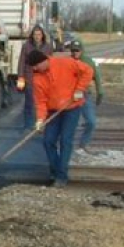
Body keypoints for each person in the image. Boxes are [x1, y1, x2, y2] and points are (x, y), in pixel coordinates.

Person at [27, 49, 93, 187]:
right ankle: (56, 171)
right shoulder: (38, 78)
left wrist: (79, 89)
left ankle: (61, 177)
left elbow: (88, 71)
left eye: (35, 65)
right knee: (48, 141)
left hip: (72, 107)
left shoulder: (65, 63)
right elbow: (40, 101)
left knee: (65, 140)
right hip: (53, 111)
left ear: (43, 61)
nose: (34, 69)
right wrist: (40, 120)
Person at [67, 39, 104, 152]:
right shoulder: (67, 62)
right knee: (69, 123)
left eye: (77, 50)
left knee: (91, 122)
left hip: (84, 95)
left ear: (82, 50)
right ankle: (66, 145)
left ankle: (83, 144)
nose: (75, 53)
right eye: (73, 50)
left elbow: (97, 78)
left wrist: (100, 93)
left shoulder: (89, 62)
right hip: (69, 96)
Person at [16, 25, 53, 130]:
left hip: (44, 79)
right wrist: (20, 77)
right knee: (29, 103)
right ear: (32, 35)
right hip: (30, 78)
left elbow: (52, 62)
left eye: (39, 34)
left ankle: (41, 124)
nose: (37, 36)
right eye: (35, 34)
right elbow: (21, 62)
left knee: (43, 103)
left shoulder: (48, 47)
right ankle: (28, 125)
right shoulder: (26, 46)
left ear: (42, 36)